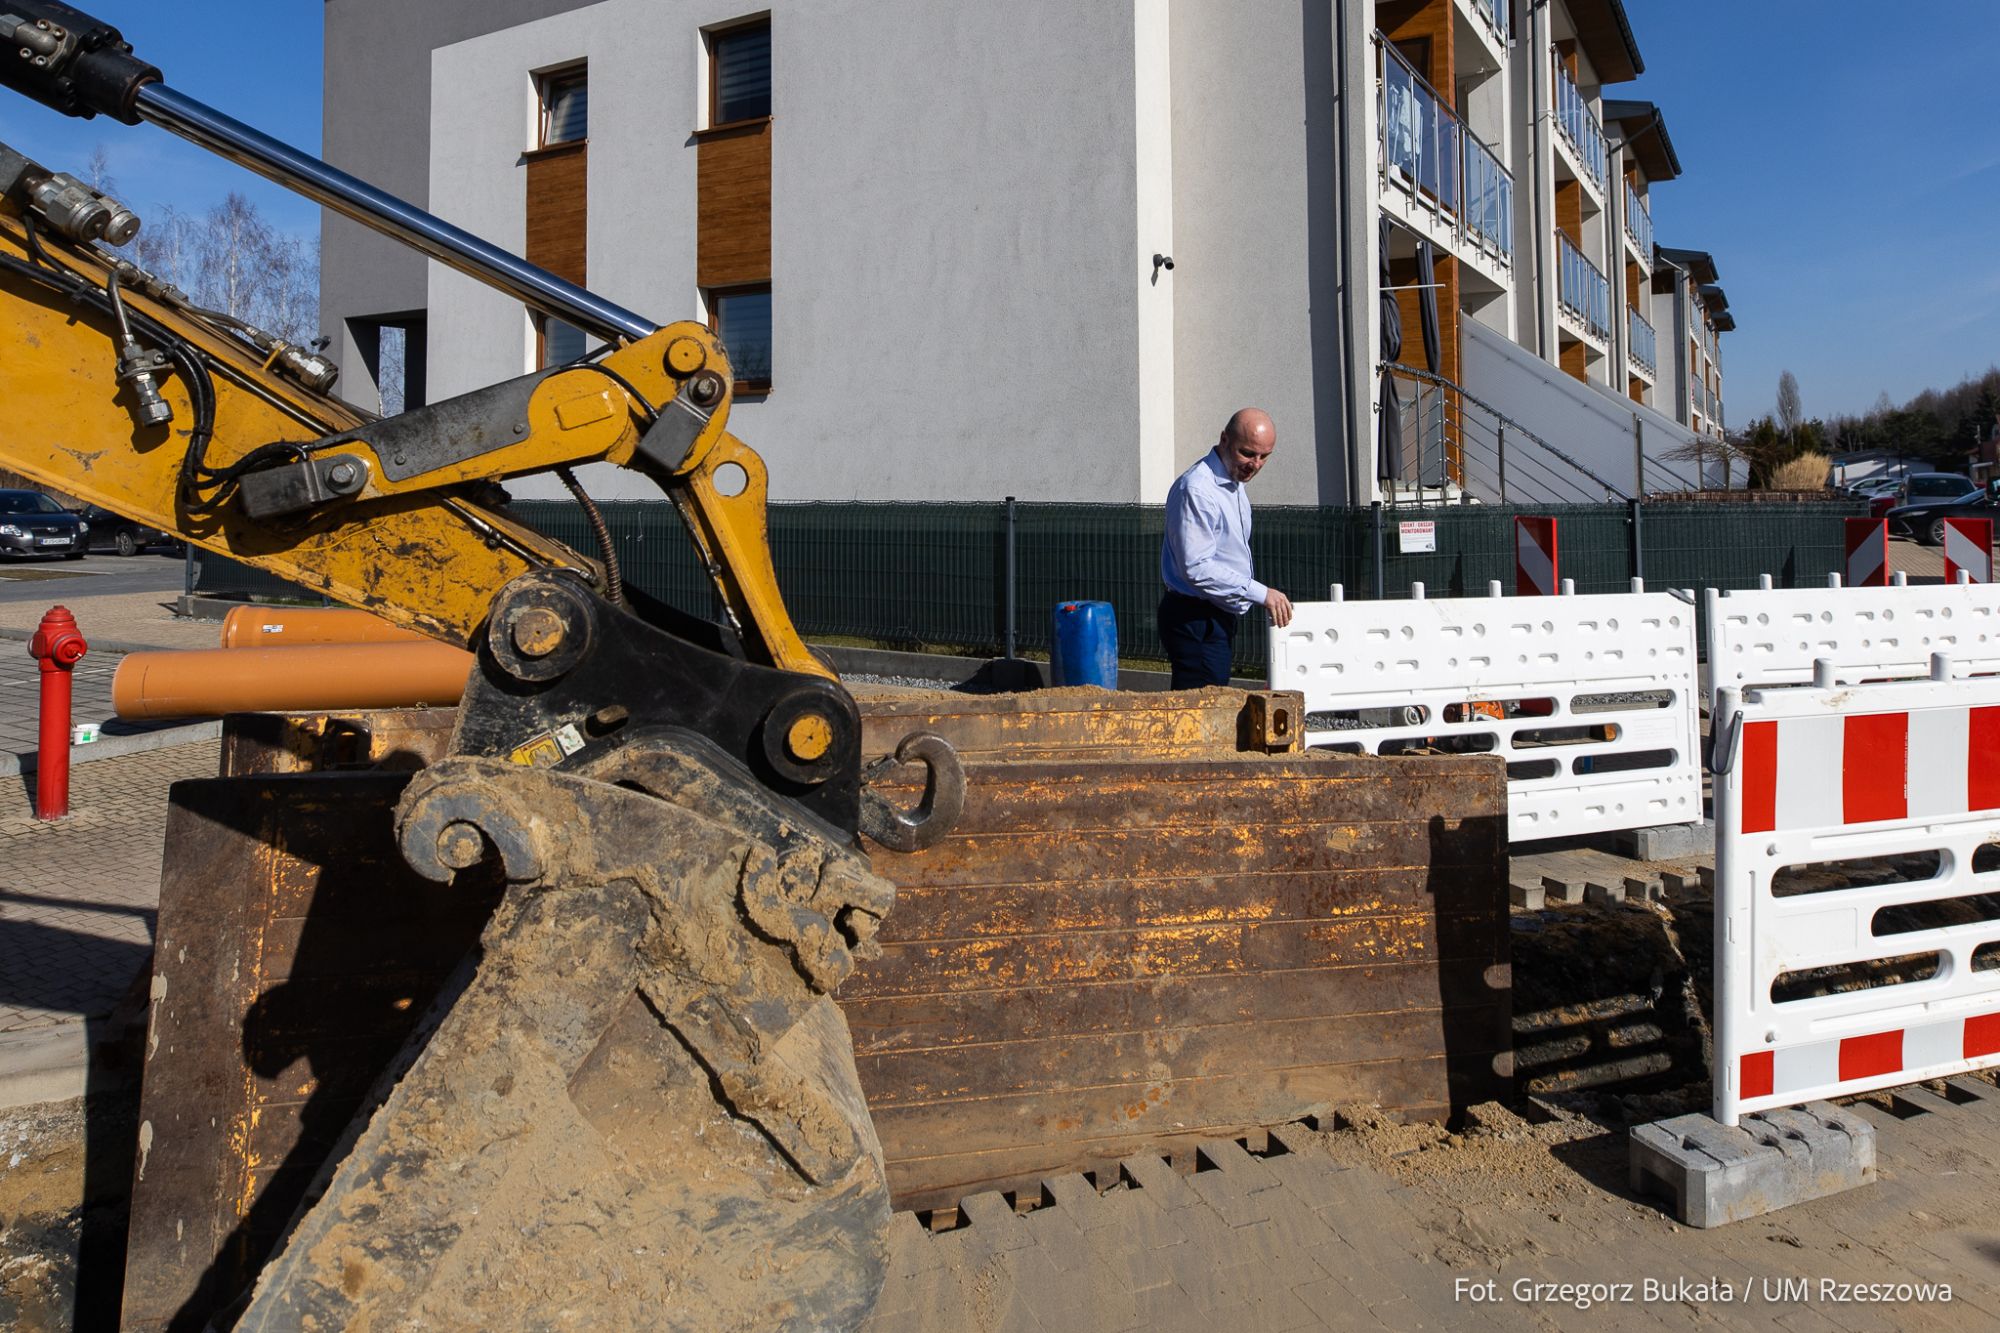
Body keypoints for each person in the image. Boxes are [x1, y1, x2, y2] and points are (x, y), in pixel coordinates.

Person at [1157, 407, 1293, 689]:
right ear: (1224, 440)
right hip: (1194, 615)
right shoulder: (1197, 488)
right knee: (1199, 709)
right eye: (1248, 453)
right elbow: (1197, 567)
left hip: (1215, 613)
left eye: (1264, 456)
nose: (1255, 464)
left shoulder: (1233, 481)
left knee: (1205, 704)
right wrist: (1260, 593)